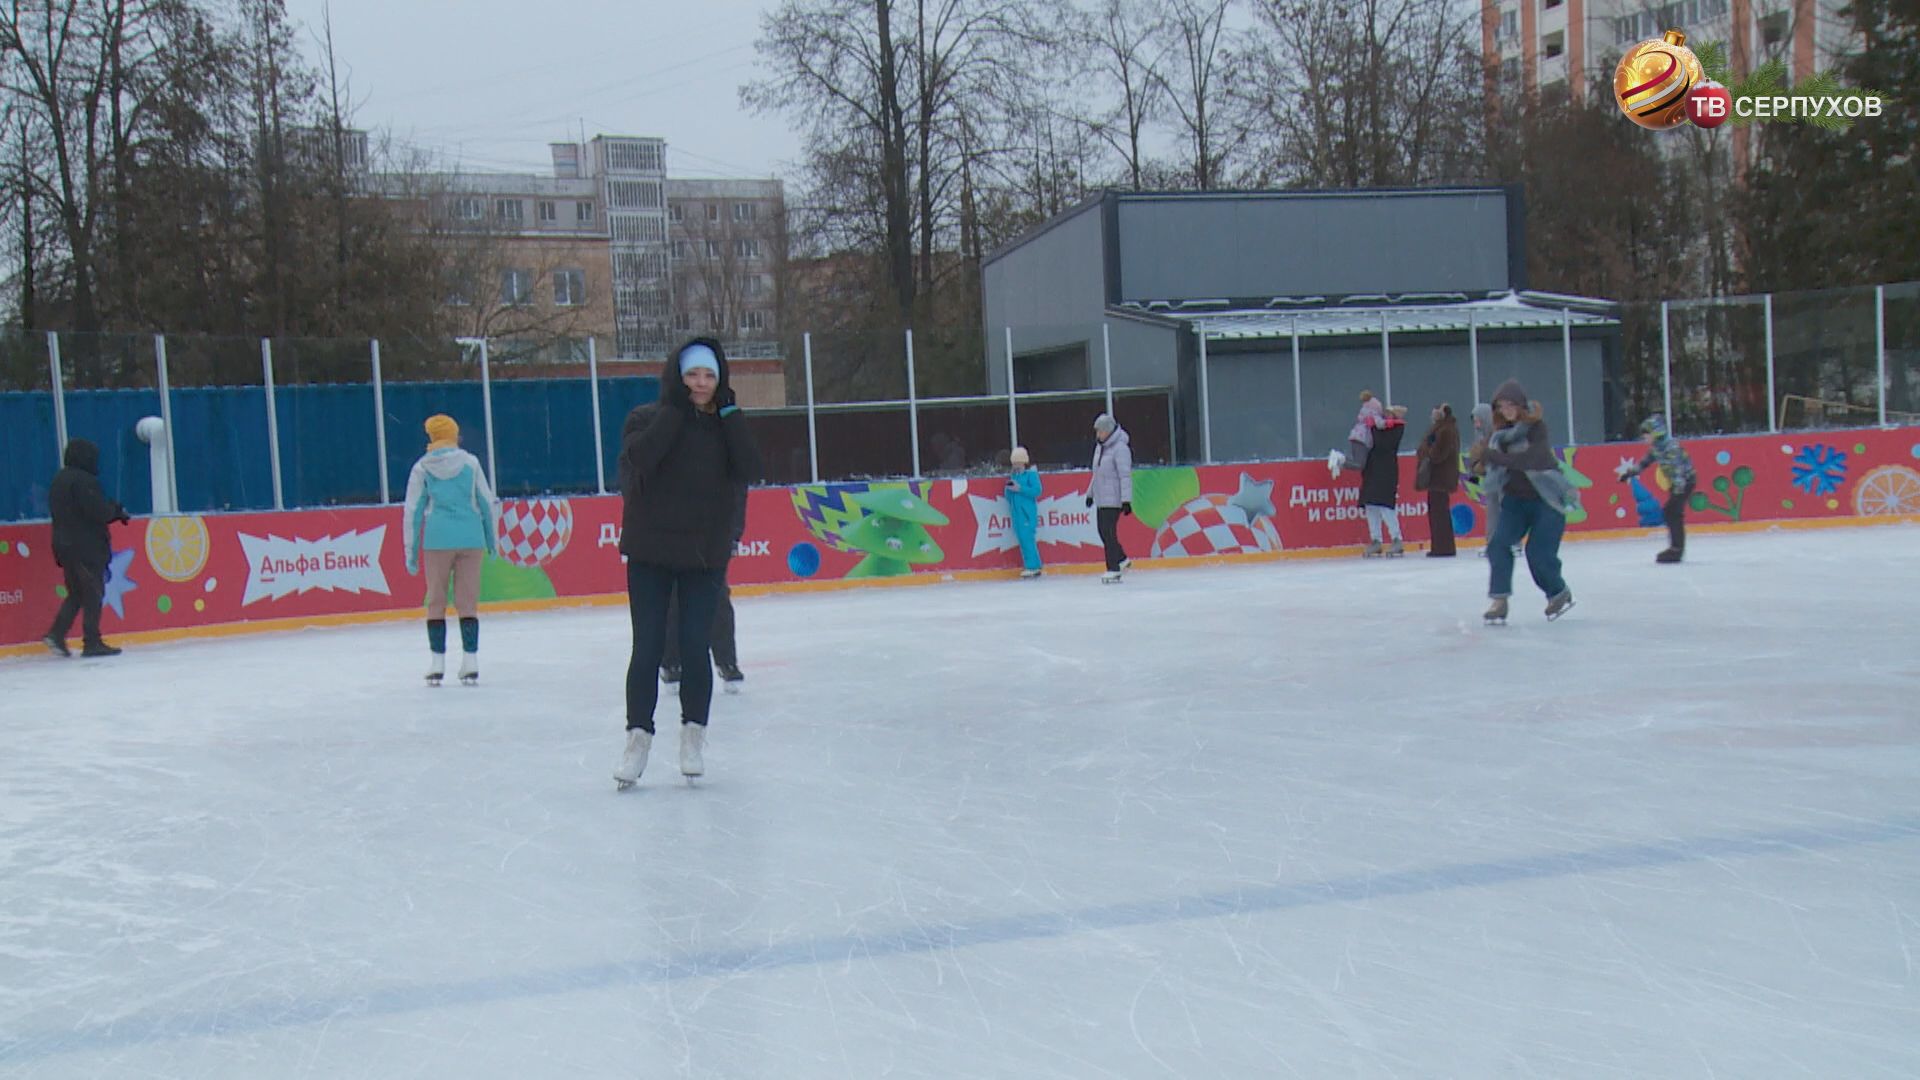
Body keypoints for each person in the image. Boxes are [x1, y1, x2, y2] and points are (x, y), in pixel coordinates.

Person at [615, 338, 762, 788]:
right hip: (650, 552)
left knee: (696, 645)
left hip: (703, 556)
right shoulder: (647, 417)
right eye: (693, 375)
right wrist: (676, 410)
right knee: (648, 648)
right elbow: (642, 458)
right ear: (677, 376)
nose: (701, 384)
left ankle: (693, 737)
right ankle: (637, 741)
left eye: (710, 376)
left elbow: (750, 468)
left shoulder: (725, 425)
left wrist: (731, 415)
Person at [403, 415, 497, 686]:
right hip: (471, 538)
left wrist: (410, 553)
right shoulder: (470, 463)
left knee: (436, 600)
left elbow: (413, 511)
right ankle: (470, 660)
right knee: (468, 600)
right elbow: (486, 503)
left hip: (437, 540)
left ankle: (437, 662)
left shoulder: (422, 468)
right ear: (454, 435)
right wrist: (492, 539)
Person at [1480, 380, 1579, 624]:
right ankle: (1499, 600)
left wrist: (1494, 456)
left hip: (1547, 500)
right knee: (1498, 544)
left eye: (1511, 404)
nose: (1507, 410)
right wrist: (1484, 461)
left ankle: (1558, 592)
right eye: (1502, 406)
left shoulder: (1537, 429)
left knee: (1538, 553)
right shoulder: (1498, 438)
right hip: (1515, 502)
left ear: (1521, 405)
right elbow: (1494, 467)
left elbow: (1531, 460)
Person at [43, 438, 129, 658]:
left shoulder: (58, 480)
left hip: (64, 546)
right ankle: (91, 642)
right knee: (92, 593)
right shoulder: (84, 481)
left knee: (77, 593)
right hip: (86, 548)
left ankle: (56, 633)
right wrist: (116, 511)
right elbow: (97, 512)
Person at [662, 479, 750, 691]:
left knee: (717, 597)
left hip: (712, 534)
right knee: (673, 597)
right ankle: (672, 662)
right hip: (671, 532)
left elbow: (736, 488)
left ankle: (727, 661)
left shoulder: (722, 452)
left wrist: (734, 533)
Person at [1615, 414, 1696, 563]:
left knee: (1672, 512)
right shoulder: (1656, 448)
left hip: (1685, 482)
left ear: (1655, 433)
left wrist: (1677, 492)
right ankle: (1676, 548)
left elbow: (1678, 469)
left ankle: (1676, 550)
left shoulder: (1671, 447)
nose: (1645, 439)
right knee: (1671, 513)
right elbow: (1644, 463)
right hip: (1677, 483)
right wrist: (1629, 474)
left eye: (1647, 435)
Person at [1085, 414, 1133, 583]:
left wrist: (1126, 501)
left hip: (1114, 498)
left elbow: (1125, 476)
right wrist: (1090, 494)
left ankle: (1113, 568)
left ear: (1108, 430)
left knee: (1108, 532)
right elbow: (1097, 474)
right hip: (1101, 498)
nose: (1098, 434)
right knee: (1102, 531)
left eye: (1100, 431)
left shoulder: (1120, 448)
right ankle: (1121, 558)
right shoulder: (1100, 448)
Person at [1357, 404, 1409, 557]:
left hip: (1386, 472)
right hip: (1373, 471)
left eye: (1389, 413)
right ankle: (1375, 540)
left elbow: (1382, 444)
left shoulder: (1396, 429)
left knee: (1386, 506)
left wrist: (1374, 428)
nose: (1385, 415)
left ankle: (1396, 538)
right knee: (1370, 505)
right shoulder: (1382, 427)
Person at [1416, 404, 1461, 557]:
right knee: (1437, 512)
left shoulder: (1445, 430)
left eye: (1435, 413)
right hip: (1438, 478)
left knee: (1439, 513)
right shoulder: (1441, 429)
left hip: (1440, 478)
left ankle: (1443, 547)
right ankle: (1440, 546)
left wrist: (1426, 451)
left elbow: (1438, 454)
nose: (1432, 416)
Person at [1328, 390, 1387, 478]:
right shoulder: (1373, 413)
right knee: (1360, 464)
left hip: (1356, 438)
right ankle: (1340, 458)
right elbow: (1380, 423)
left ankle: (1340, 464)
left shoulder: (1365, 410)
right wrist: (1388, 422)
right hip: (1361, 440)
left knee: (1357, 462)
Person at [1006, 446, 1043, 578]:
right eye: (1014, 463)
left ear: (1023, 462)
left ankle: (1033, 566)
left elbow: (1037, 491)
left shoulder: (1031, 475)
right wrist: (1009, 489)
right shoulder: (1014, 476)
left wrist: (1020, 488)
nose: (1016, 465)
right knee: (1023, 540)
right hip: (1017, 514)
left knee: (1028, 539)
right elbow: (1009, 495)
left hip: (1027, 513)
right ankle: (1032, 564)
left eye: (1018, 462)